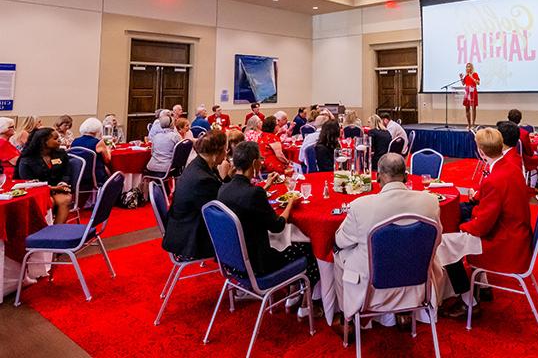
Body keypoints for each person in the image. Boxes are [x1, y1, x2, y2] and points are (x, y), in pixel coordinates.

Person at [334, 153, 441, 322]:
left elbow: (340, 241)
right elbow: (437, 241)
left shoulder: (360, 206)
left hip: (372, 290)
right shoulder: (431, 201)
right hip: (418, 284)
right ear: (406, 176)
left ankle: (346, 319)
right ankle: (404, 314)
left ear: (378, 177)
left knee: (338, 255)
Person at [445, 128, 531, 318]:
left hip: (505, 243)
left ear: (481, 152)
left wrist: (459, 228)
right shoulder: (510, 167)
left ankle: (469, 302)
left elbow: (481, 226)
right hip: (516, 233)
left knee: (446, 243)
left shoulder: (495, 178)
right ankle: (482, 285)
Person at [218, 142, 319, 302]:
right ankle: (307, 303)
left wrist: (266, 186)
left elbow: (245, 200)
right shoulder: (254, 194)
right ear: (254, 163)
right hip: (259, 264)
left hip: (233, 262)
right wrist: (291, 202)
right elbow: (278, 226)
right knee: (309, 249)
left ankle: (292, 293)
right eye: (260, 159)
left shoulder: (224, 189)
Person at [162, 130, 231, 260]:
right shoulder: (202, 179)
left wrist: (227, 177)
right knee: (246, 225)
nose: (226, 154)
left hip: (183, 225)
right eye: (225, 150)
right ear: (217, 153)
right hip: (191, 238)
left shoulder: (199, 165)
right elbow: (223, 206)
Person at [15, 128, 72, 224]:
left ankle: (56, 231)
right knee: (49, 202)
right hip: (36, 191)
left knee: (65, 199)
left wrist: (63, 183)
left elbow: (66, 172)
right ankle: (43, 232)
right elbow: (28, 183)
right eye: (55, 138)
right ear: (43, 142)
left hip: (58, 188)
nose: (59, 140)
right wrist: (54, 188)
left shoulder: (61, 154)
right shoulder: (27, 159)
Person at [71, 117, 113, 185]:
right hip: (95, 177)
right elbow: (107, 160)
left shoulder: (75, 141)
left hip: (78, 175)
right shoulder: (98, 143)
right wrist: (108, 149)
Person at [460, 62, 480, 129]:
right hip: (467, 92)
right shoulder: (466, 76)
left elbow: (478, 83)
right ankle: (469, 124)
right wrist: (461, 78)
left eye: (469, 66)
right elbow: (463, 84)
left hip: (473, 92)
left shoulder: (474, 74)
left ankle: (473, 124)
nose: (468, 68)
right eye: (467, 67)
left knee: (473, 108)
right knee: (467, 108)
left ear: (471, 68)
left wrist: (472, 77)